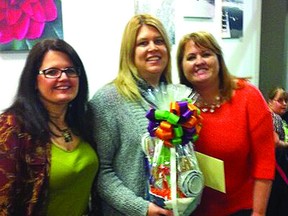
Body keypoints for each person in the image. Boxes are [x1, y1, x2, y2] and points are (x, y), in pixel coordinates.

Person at [176, 31, 275, 216]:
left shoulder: (248, 96)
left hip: (241, 209)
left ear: (218, 59)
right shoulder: (178, 107)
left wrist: (259, 213)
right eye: (191, 57)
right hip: (191, 211)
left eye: (206, 54)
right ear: (182, 66)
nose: (199, 61)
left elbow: (265, 163)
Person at [0, 38, 98, 215]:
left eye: (70, 71)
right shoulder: (11, 127)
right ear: (33, 81)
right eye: (51, 72)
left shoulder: (83, 121)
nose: (64, 78)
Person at [88, 14, 174, 216]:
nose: (153, 48)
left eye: (159, 41)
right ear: (130, 52)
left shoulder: (175, 97)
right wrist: (142, 209)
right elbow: (101, 172)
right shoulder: (108, 100)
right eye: (143, 43)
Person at [266, 87, 288, 216]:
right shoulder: (274, 117)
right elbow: (274, 142)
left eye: (286, 100)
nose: (284, 104)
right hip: (275, 166)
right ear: (270, 101)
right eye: (280, 100)